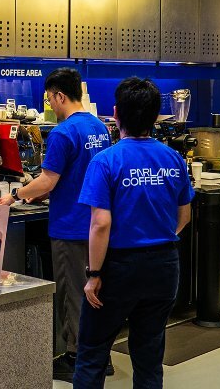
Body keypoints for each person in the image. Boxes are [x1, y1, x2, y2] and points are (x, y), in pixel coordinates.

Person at [73, 77, 195, 388]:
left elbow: (100, 223)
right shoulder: (173, 159)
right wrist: (157, 237)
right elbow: (184, 215)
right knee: (149, 354)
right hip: (164, 266)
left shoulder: (106, 161)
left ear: (115, 114)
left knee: (92, 351)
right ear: (156, 117)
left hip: (118, 269)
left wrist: (94, 273)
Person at [0, 67, 111, 381]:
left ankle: (76, 357)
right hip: (95, 223)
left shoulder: (63, 132)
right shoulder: (99, 127)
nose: (50, 104)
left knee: (73, 292)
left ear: (60, 95)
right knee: (95, 291)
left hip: (70, 226)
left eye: (50, 98)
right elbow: (81, 175)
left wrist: (15, 195)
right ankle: (99, 355)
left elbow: (48, 179)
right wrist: (46, 194)